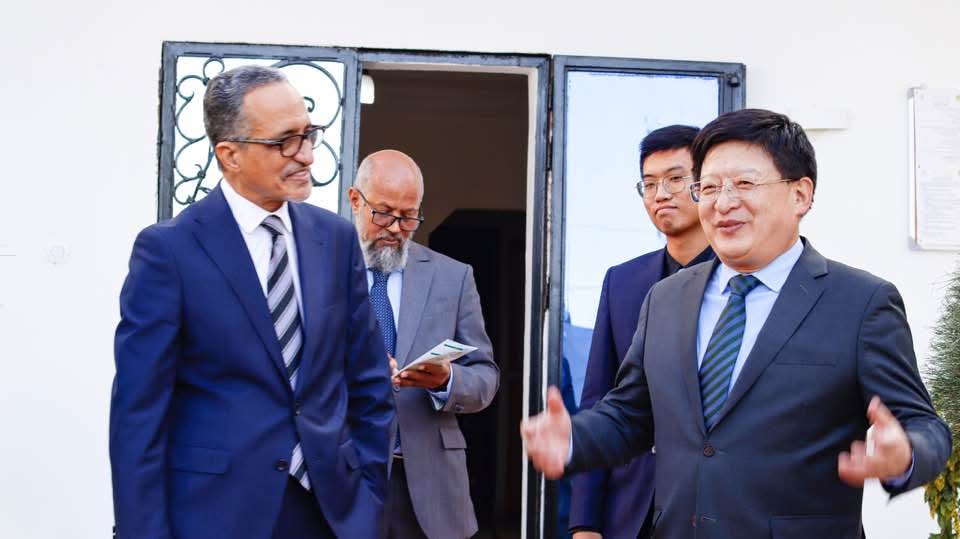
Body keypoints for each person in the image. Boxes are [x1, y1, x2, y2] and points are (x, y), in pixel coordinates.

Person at [522, 109, 952, 538]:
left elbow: (925, 425)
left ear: (800, 195)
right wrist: (574, 438)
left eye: (744, 184)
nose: (723, 203)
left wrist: (906, 454)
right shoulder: (666, 298)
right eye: (709, 187)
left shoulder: (860, 302)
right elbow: (630, 414)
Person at [109, 65, 394, 539]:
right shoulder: (169, 251)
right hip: (213, 517)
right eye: (284, 141)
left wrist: (368, 503)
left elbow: (369, 383)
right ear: (230, 154)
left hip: (333, 513)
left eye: (309, 134)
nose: (306, 155)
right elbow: (138, 415)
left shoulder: (336, 239)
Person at [569, 125, 713, 539]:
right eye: (649, 184)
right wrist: (585, 522)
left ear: (704, 186)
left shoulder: (739, 279)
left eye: (674, 179)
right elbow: (599, 400)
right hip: (632, 508)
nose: (660, 194)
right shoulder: (623, 281)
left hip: (714, 505)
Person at [349, 149, 500, 539]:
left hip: (431, 490)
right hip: (344, 478)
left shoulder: (454, 277)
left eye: (408, 216)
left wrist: (446, 380)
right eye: (383, 213)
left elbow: (485, 378)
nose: (396, 228)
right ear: (355, 200)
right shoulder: (325, 268)